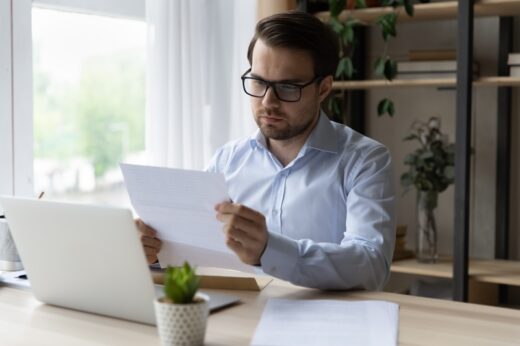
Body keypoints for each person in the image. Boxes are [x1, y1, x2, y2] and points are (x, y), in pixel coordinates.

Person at [138, 11, 395, 290]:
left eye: (287, 87)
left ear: (323, 88)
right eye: (259, 82)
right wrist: (154, 254)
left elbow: (371, 265)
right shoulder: (227, 160)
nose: (267, 102)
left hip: (325, 325)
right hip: (241, 317)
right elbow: (195, 254)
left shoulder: (366, 161)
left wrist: (269, 250)